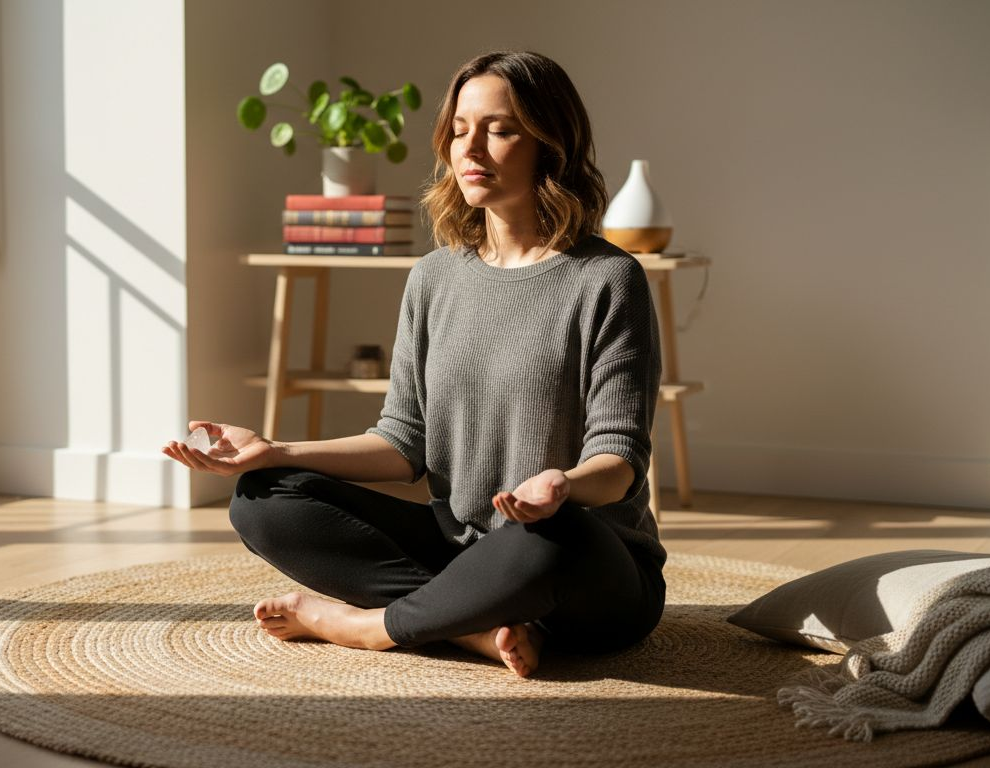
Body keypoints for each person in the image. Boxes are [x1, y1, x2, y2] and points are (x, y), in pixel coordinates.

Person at [163, 50, 665, 678]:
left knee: (557, 534)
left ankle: (373, 627)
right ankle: (473, 626)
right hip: (463, 553)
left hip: (583, 571)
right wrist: (276, 450)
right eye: (459, 130)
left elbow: (620, 460)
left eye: (501, 130)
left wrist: (562, 485)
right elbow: (404, 445)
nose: (471, 149)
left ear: (550, 143)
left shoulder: (608, 278)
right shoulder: (433, 278)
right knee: (261, 498)